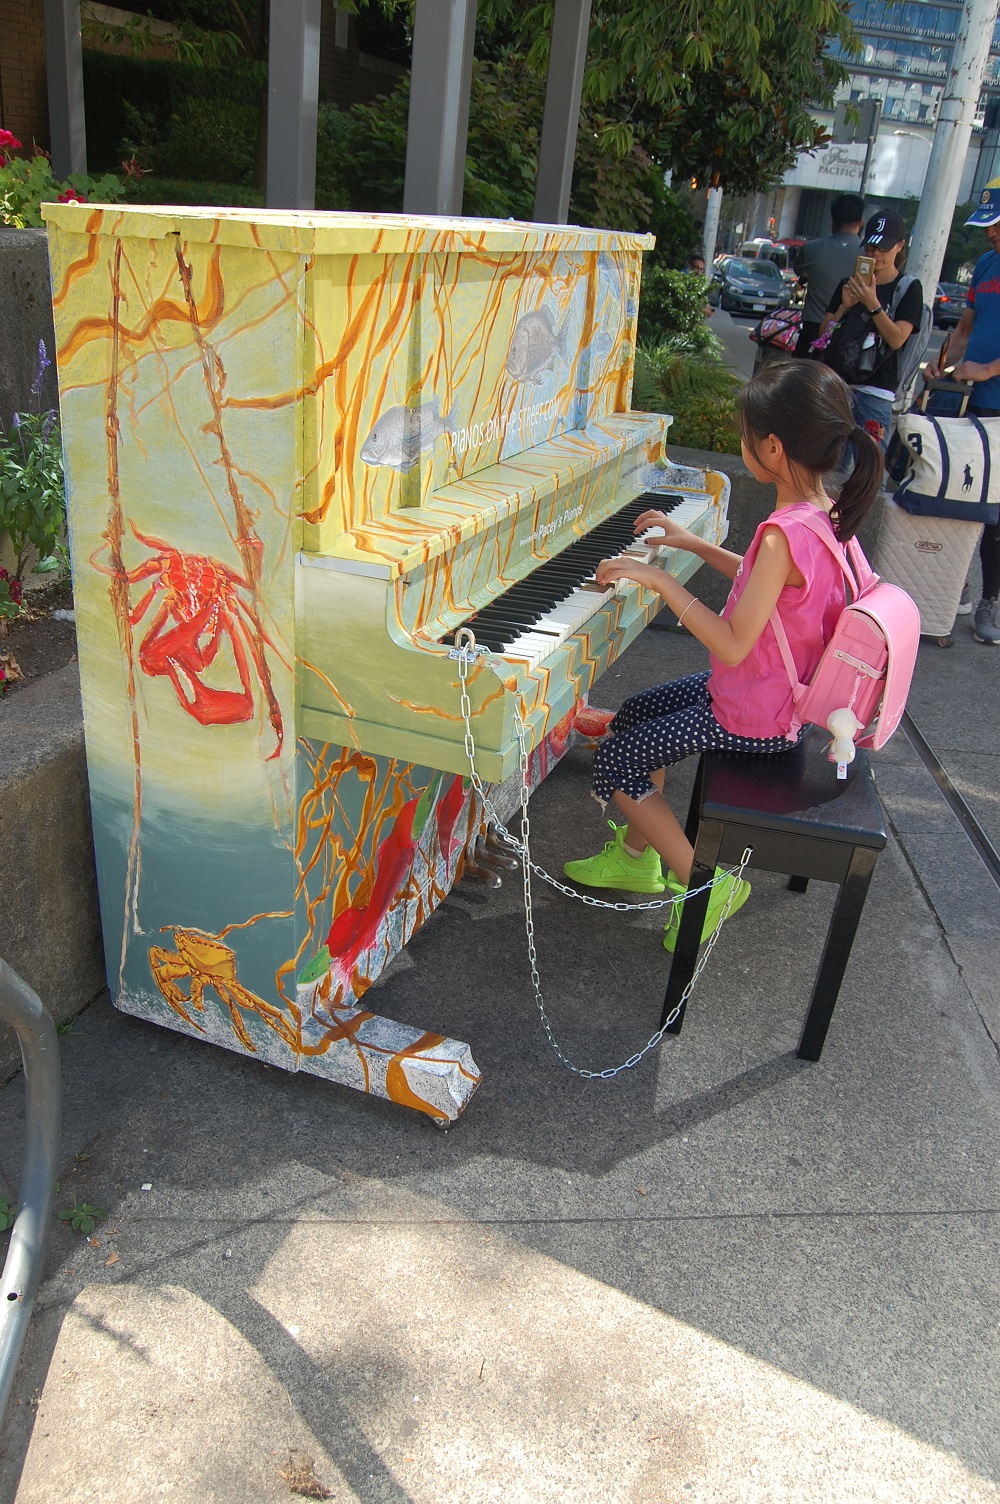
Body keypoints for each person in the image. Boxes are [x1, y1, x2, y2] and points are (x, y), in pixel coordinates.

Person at [562, 361, 883, 950]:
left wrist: (659, 582)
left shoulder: (785, 533)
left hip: (756, 715)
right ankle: (637, 860)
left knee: (619, 760)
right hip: (768, 696)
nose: (741, 443)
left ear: (771, 447)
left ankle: (705, 885)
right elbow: (772, 590)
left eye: (744, 435)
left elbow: (734, 638)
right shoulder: (825, 518)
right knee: (635, 711)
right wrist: (694, 544)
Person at [922, 178, 1000, 645]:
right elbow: (966, 328)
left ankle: (989, 601)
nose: (991, 233)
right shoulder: (987, 264)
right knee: (959, 498)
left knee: (994, 511)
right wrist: (945, 362)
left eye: (997, 224)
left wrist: (989, 369)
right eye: (987, 225)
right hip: (969, 401)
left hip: (997, 400)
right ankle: (956, 588)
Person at [818, 208, 922, 451]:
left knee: (869, 468)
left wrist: (873, 304)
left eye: (883, 248)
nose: (876, 255)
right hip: (838, 386)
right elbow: (822, 335)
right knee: (831, 465)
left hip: (876, 391)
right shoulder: (849, 283)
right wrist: (845, 306)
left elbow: (897, 339)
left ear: (900, 246)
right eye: (870, 248)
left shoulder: (907, 289)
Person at [794, 193, 865, 356]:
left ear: (832, 221)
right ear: (861, 222)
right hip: (849, 333)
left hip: (812, 329)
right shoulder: (866, 256)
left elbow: (800, 270)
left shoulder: (811, 248)